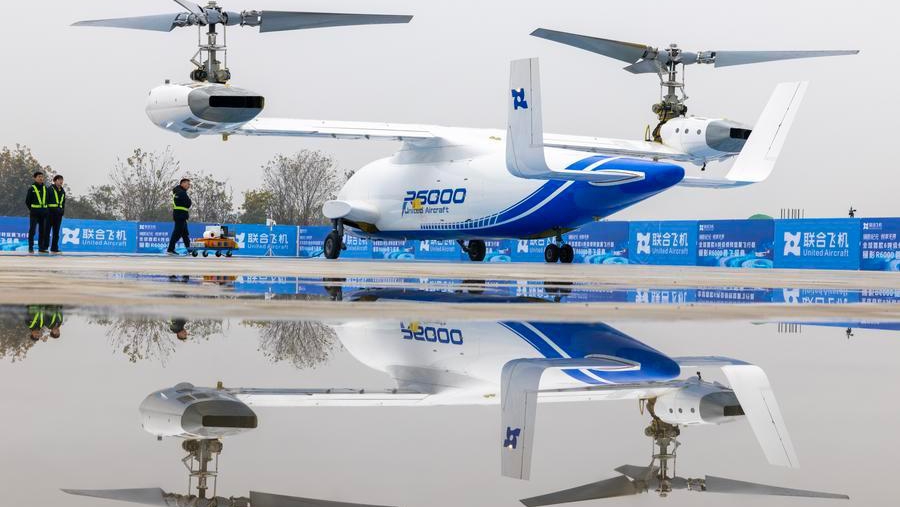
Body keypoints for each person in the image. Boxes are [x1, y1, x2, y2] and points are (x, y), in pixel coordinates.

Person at [24, 171, 49, 254]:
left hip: (44, 213)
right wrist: (32, 209)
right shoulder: (31, 189)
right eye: (39, 177)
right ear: (35, 178)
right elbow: (27, 201)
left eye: (42, 176)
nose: (41, 178)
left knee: (42, 231)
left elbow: (48, 200)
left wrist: (46, 210)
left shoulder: (45, 188)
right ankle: (30, 247)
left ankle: (41, 248)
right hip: (34, 213)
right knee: (32, 230)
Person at [167, 178, 192, 255]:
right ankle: (170, 249)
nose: (189, 186)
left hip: (181, 215)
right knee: (177, 233)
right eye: (188, 184)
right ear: (182, 183)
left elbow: (187, 203)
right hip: (180, 215)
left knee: (185, 234)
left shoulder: (179, 192)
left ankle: (189, 250)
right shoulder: (181, 192)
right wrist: (189, 201)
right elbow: (188, 203)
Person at [47, 175, 66, 253]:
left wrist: (62, 211)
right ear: (55, 181)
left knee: (56, 232)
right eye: (59, 180)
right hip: (50, 213)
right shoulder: (49, 189)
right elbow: (46, 201)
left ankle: (54, 248)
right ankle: (44, 248)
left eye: (62, 180)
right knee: (47, 231)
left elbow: (63, 203)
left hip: (58, 214)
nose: (61, 181)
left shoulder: (63, 191)